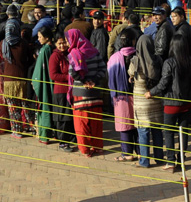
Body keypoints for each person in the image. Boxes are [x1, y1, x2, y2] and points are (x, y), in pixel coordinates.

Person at [147, 33, 191, 172]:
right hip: (187, 102)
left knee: (168, 132)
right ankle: (181, 160)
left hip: (171, 102)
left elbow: (163, 83)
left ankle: (170, 161)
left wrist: (151, 92)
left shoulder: (169, 62)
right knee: (183, 132)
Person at [66, 29, 104, 157]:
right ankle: (97, 147)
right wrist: (94, 80)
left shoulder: (74, 53)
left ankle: (85, 150)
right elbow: (103, 69)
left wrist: (83, 81)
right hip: (95, 93)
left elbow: (72, 72)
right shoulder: (95, 52)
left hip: (80, 94)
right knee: (95, 122)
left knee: (81, 124)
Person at [130, 33, 163, 168]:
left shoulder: (135, 61)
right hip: (155, 99)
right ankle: (159, 157)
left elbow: (130, 72)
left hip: (141, 100)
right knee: (156, 130)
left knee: (143, 131)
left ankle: (144, 161)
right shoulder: (158, 60)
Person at [107, 28, 140, 161]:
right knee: (138, 126)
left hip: (120, 97)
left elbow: (110, 79)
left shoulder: (114, 58)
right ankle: (140, 152)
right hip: (138, 95)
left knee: (124, 126)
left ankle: (127, 154)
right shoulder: (139, 55)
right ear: (133, 41)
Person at [47, 32, 78, 153]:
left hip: (70, 90)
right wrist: (69, 77)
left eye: (64, 42)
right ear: (55, 44)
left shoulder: (69, 54)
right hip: (60, 91)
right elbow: (53, 75)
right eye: (59, 43)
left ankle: (70, 138)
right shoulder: (55, 56)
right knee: (62, 118)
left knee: (69, 116)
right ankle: (62, 142)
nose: (62, 45)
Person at [30, 29, 55, 144]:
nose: (39, 39)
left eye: (40, 37)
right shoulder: (52, 49)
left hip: (43, 83)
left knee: (44, 107)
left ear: (47, 37)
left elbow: (38, 72)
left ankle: (44, 136)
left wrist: (34, 82)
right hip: (51, 83)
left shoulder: (44, 50)